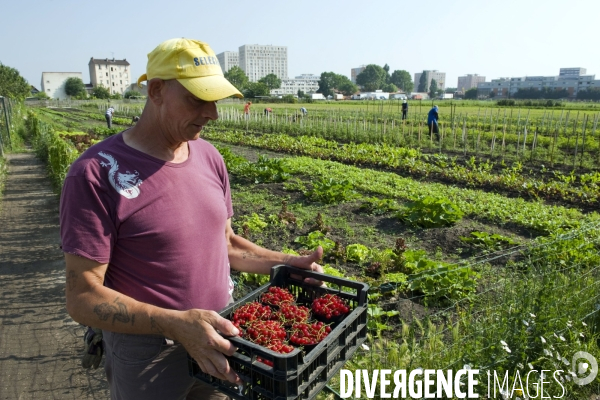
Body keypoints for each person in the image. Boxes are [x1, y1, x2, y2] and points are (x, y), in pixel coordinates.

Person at [59, 37, 324, 400]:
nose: (212, 113)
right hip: (148, 355)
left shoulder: (209, 157)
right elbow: (82, 296)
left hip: (221, 335)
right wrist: (175, 323)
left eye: (214, 100)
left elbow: (226, 244)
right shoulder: (96, 173)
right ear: (156, 91)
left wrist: (291, 264)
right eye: (197, 99)